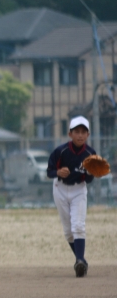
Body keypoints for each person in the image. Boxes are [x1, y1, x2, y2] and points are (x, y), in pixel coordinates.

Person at [47, 116, 96, 277]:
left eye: (83, 132)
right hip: (60, 189)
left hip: (79, 190)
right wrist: (58, 172)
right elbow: (49, 172)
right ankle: (81, 260)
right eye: (76, 131)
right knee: (68, 231)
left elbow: (89, 179)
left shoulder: (90, 154)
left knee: (78, 226)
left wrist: (91, 173)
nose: (80, 135)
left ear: (88, 135)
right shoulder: (60, 151)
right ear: (70, 134)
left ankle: (79, 261)